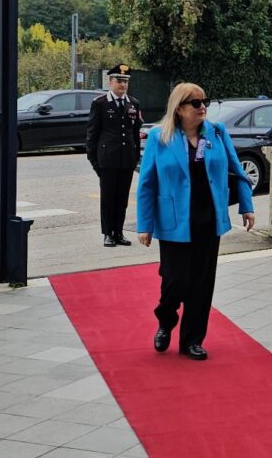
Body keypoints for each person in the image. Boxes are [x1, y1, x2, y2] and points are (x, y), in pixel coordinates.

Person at [136, 83, 255, 361]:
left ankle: (192, 339)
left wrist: (246, 206)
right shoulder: (159, 137)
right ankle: (166, 320)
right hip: (175, 222)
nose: (202, 107)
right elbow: (147, 184)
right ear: (179, 108)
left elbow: (238, 172)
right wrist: (145, 224)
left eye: (205, 101)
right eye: (195, 102)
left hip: (208, 220)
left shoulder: (216, 133)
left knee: (201, 284)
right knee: (174, 281)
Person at [86, 64, 143, 247]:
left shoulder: (133, 103)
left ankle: (119, 232)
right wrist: (94, 161)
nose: (123, 85)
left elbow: (135, 133)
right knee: (108, 199)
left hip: (126, 160)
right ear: (110, 82)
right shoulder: (100, 103)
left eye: (126, 81)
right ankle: (108, 234)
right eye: (119, 80)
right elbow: (92, 134)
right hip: (107, 160)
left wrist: (135, 157)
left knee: (122, 199)